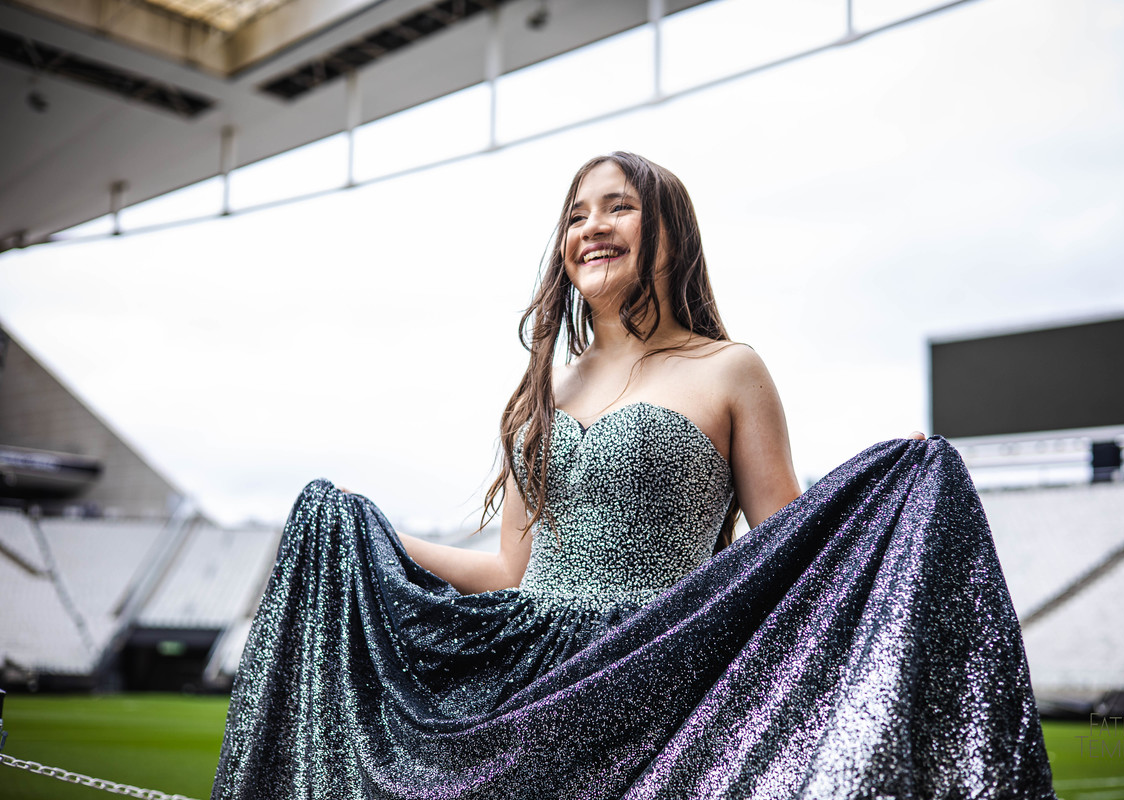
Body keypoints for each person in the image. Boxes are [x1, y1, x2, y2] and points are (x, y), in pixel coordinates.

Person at [211, 153, 1055, 800]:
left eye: (618, 206)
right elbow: (509, 570)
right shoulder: (544, 386)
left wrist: (882, 486)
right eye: (577, 215)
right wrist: (368, 533)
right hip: (529, 678)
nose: (592, 227)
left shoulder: (731, 370)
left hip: (658, 672)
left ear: (669, 232)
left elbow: (787, 539)